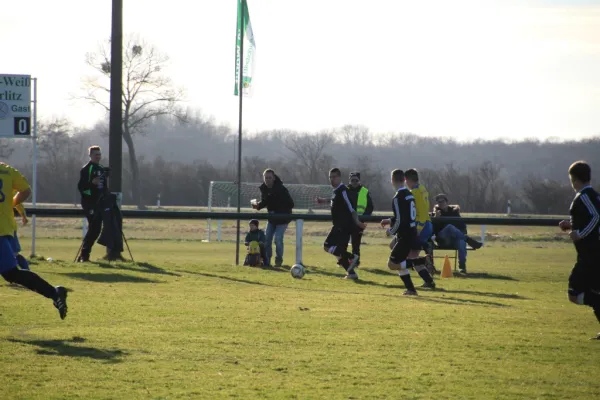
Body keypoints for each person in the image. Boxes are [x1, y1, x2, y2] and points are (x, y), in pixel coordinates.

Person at [0, 162, 68, 319]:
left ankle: (54, 293)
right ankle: (55, 293)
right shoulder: (9, 170)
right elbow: (25, 191)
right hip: (5, 227)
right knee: (11, 273)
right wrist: (10, 204)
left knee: (11, 273)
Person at [559, 161, 600, 340]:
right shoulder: (592, 196)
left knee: (574, 293)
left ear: (573, 179)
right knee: (594, 291)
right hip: (590, 254)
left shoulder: (584, 196)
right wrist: (571, 226)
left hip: (590, 255)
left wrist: (580, 233)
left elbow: (597, 216)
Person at [380, 169, 429, 296]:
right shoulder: (409, 194)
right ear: (404, 180)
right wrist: (390, 220)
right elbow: (405, 216)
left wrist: (391, 231)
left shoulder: (397, 197)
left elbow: (400, 220)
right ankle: (411, 289)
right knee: (399, 263)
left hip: (405, 235)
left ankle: (418, 262)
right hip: (411, 232)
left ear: (392, 180)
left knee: (392, 264)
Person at [316, 168, 366, 280]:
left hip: (343, 226)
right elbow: (335, 201)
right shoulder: (336, 191)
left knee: (327, 246)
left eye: (334, 177)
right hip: (341, 226)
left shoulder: (343, 190)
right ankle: (351, 273)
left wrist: (358, 222)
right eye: (330, 177)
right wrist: (324, 201)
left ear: (339, 178)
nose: (332, 179)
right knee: (338, 253)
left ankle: (353, 257)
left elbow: (351, 208)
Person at [251, 169, 295, 267]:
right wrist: (258, 206)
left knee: (278, 239)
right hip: (272, 218)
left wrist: (279, 209)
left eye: (270, 178)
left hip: (283, 218)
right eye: (266, 178)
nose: (267, 180)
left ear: (274, 178)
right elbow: (266, 201)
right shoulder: (264, 189)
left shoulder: (281, 189)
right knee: (267, 239)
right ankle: (267, 260)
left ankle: (278, 259)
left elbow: (291, 204)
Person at [432, 193, 482, 274]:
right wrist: (436, 219)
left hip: (454, 240)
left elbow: (463, 226)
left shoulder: (454, 212)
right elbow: (433, 231)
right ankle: (468, 239)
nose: (441, 203)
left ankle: (462, 267)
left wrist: (461, 234)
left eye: (442, 201)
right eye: (439, 202)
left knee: (461, 242)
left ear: (446, 201)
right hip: (443, 240)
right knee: (449, 227)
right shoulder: (436, 213)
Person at [404, 168, 437, 288]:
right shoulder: (422, 188)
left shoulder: (415, 192)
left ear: (406, 179)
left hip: (421, 226)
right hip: (426, 224)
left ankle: (425, 261)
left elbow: (422, 212)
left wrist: (418, 229)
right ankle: (428, 280)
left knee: (410, 255)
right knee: (410, 254)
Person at [77, 145, 107, 262]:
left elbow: (103, 186)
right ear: (90, 155)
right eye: (96, 155)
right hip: (89, 203)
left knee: (97, 229)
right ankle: (84, 255)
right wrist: (92, 183)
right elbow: (81, 187)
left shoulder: (101, 168)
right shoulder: (86, 169)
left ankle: (84, 255)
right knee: (94, 228)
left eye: (99, 154)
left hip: (100, 203)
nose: (98, 157)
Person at [346, 172, 374, 264]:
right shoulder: (345, 190)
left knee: (356, 243)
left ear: (359, 181)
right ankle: (344, 261)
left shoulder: (364, 191)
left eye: (356, 180)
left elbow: (370, 207)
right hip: (346, 221)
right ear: (349, 181)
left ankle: (356, 262)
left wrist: (364, 218)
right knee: (343, 242)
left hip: (359, 222)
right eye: (352, 180)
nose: (354, 182)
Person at [11, 189, 29, 270]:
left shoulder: (6, 187)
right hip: (8, 227)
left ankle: (27, 274)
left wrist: (23, 216)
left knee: (14, 253)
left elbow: (17, 202)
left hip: (7, 227)